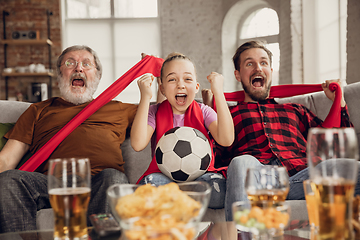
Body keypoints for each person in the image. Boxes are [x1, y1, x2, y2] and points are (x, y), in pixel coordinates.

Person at [202, 40, 354, 220]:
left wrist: (339, 101)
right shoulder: (229, 113)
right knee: (240, 162)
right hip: (255, 177)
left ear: (271, 72)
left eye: (264, 63)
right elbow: (213, 155)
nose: (258, 68)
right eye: (249, 64)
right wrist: (211, 107)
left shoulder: (295, 110)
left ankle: (280, 194)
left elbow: (335, 142)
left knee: (353, 168)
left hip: (301, 178)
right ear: (238, 74)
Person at [0, 45, 138, 233]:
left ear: (97, 76)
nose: (78, 68)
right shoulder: (38, 110)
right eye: (70, 63)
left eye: (86, 64)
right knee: (8, 180)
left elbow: (163, 112)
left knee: (113, 177)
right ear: (60, 74)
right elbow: (7, 159)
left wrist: (158, 73)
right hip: (51, 184)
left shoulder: (119, 109)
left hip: (99, 180)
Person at [130, 52, 234, 209]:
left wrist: (218, 92)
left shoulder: (204, 111)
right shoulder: (155, 111)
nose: (181, 85)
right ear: (162, 88)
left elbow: (226, 139)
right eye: (172, 79)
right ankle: (181, 198)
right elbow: (137, 144)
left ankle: (177, 198)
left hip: (201, 176)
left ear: (196, 87)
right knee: (147, 189)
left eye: (188, 79)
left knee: (219, 193)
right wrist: (145, 97)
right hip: (163, 176)